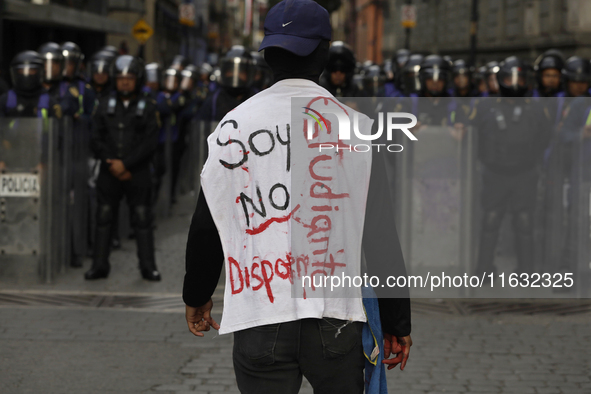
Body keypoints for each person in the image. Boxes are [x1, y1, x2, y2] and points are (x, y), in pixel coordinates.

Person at [183, 1, 412, 393]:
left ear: (269, 54)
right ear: (324, 53)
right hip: (335, 318)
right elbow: (380, 236)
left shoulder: (233, 128)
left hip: (260, 311)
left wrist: (198, 294)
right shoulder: (358, 130)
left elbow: (210, 222)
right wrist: (397, 323)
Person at [472, 56, 552, 277]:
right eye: (509, 78)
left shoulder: (535, 109)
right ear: (500, 80)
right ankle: (484, 270)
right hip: (494, 173)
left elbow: (545, 137)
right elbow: (473, 136)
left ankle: (526, 271)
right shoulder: (485, 106)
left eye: (520, 78)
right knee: (490, 219)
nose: (515, 83)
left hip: (524, 173)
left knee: (524, 222)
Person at [86, 55, 161, 281]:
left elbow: (150, 141)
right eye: (120, 78)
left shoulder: (148, 106)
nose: (125, 82)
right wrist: (112, 162)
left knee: (142, 218)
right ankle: (99, 266)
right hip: (109, 170)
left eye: (129, 78)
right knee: (104, 216)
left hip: (136, 172)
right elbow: (95, 137)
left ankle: (148, 267)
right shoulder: (103, 104)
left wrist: (126, 165)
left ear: (138, 79)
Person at [195, 46, 256, 122]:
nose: (235, 75)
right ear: (224, 72)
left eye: (241, 72)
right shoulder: (213, 101)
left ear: (248, 73)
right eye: (230, 71)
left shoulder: (257, 100)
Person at [37, 42, 79, 117]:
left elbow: (68, 109)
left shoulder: (68, 90)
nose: (50, 67)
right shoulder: (31, 90)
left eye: (55, 63)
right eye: (45, 62)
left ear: (62, 66)